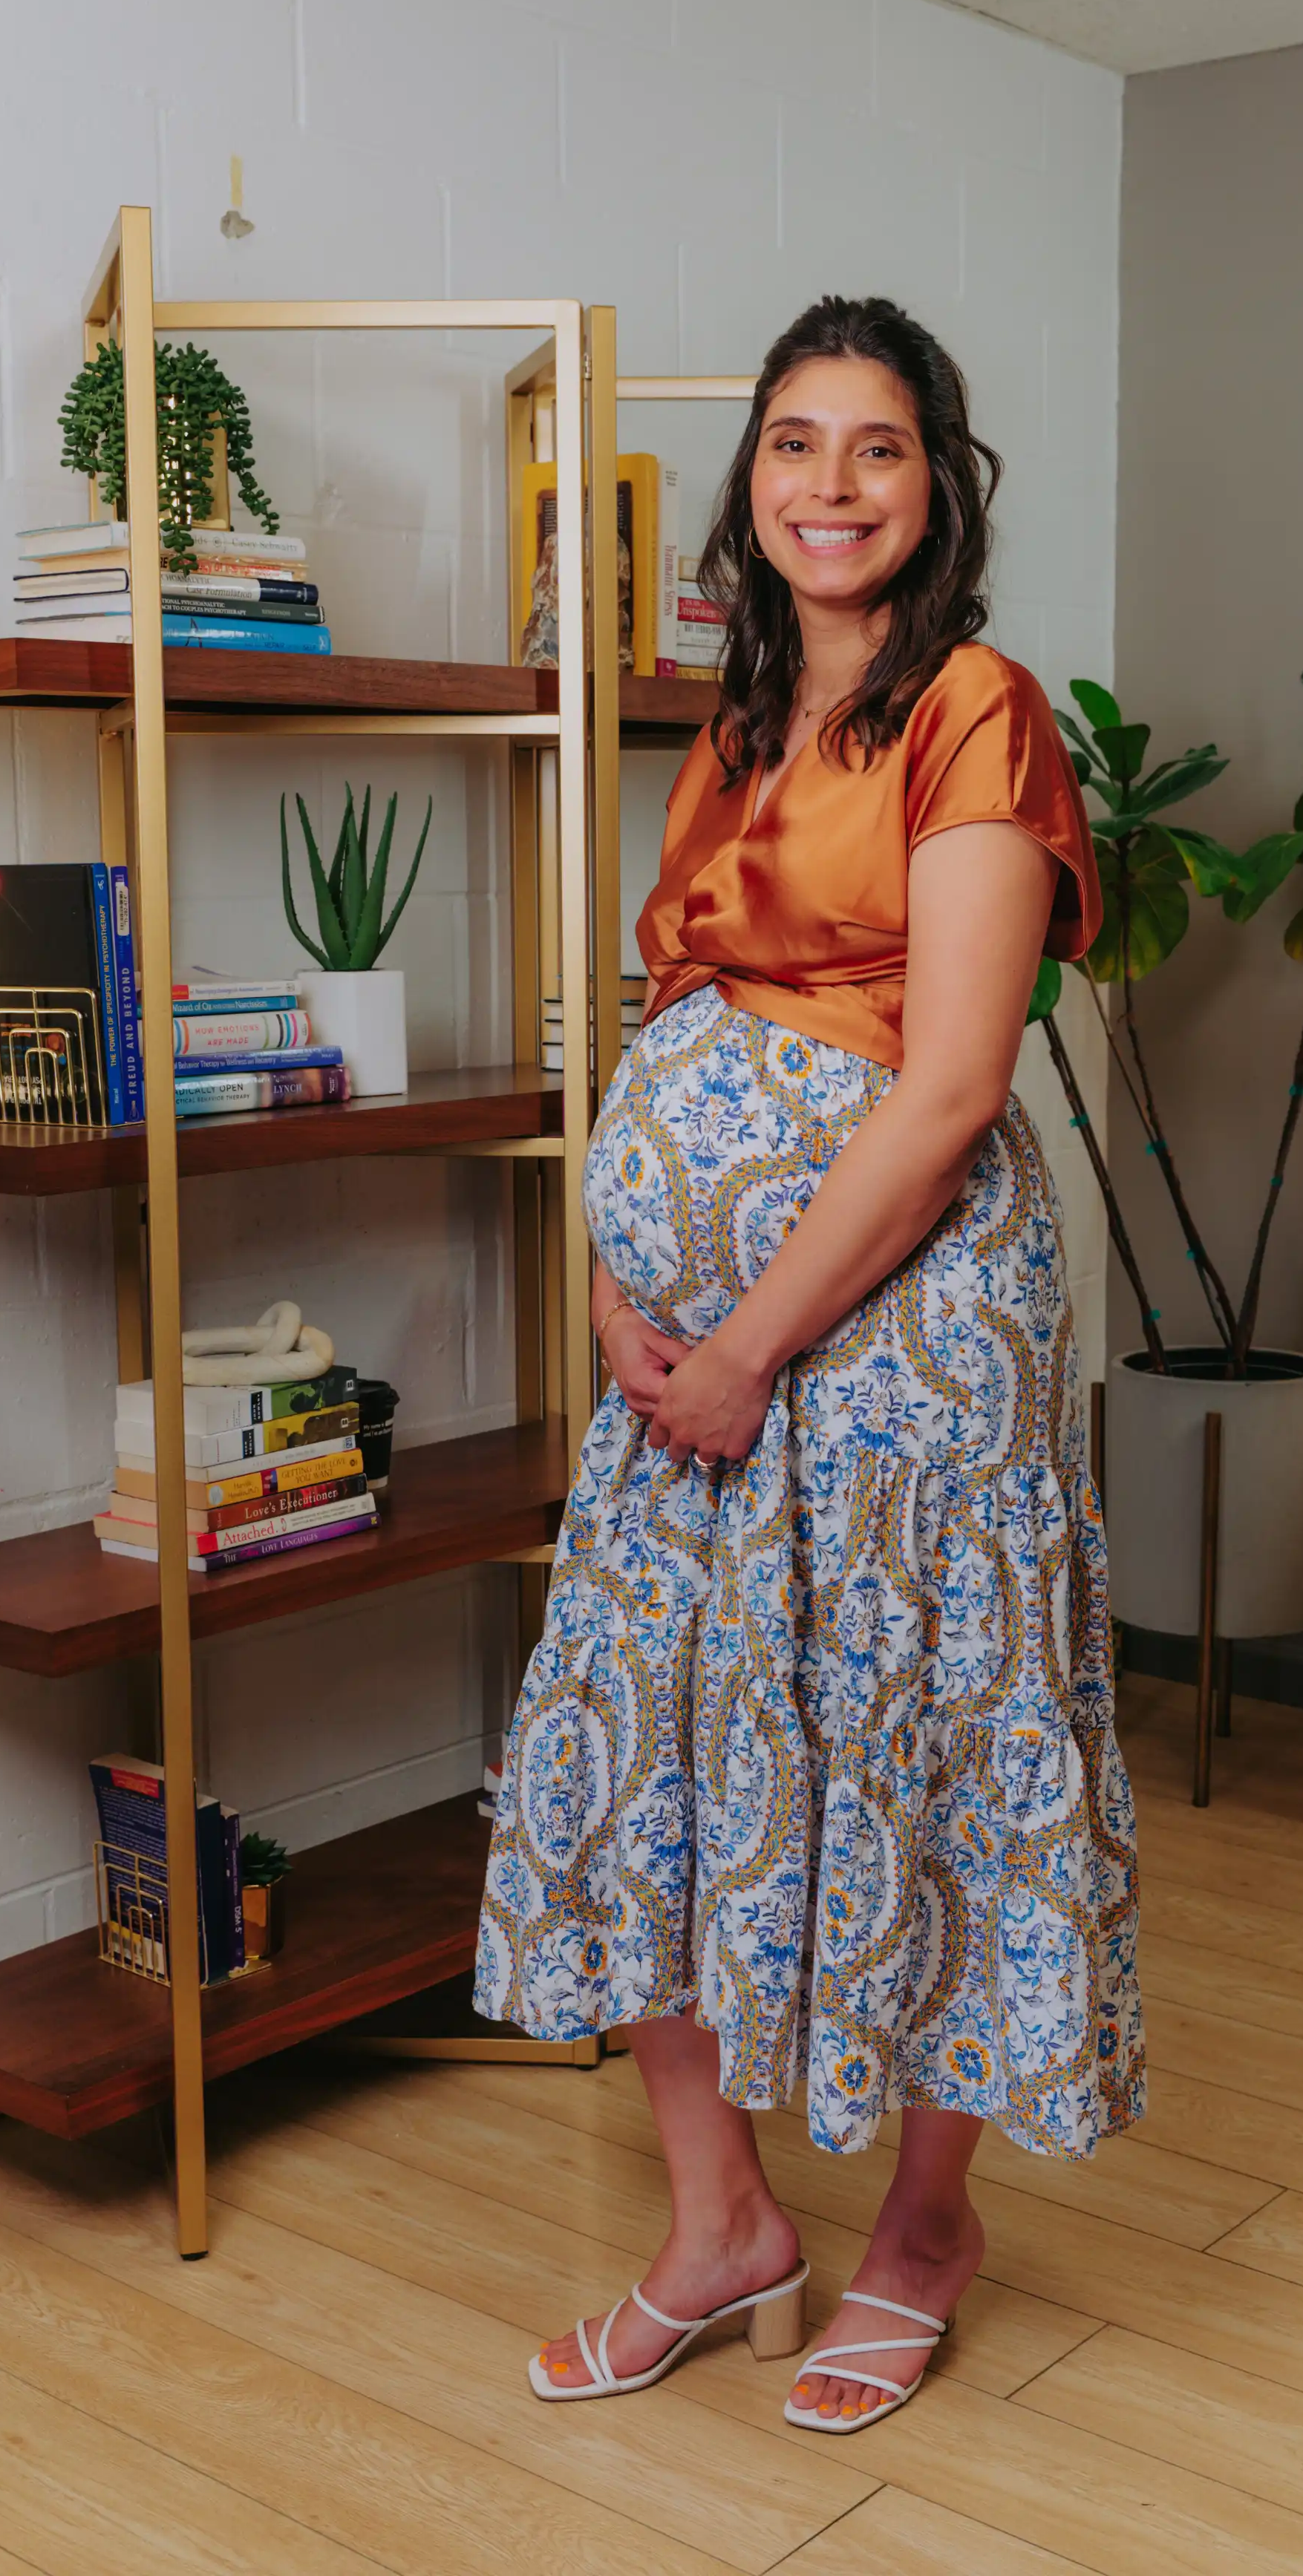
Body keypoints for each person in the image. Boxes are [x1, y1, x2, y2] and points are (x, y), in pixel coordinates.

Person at [475, 295, 1144, 2436]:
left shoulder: (978, 711)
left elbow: (946, 1089)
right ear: (753, 480)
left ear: (937, 482)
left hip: (907, 1352)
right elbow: (672, 1018)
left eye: (876, 446)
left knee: (931, 1744)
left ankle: (929, 2233)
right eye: (792, 443)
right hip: (692, 1362)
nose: (827, 485)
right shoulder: (735, 723)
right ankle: (719, 2228)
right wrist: (615, 1281)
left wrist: (752, 1339)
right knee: (641, 1739)